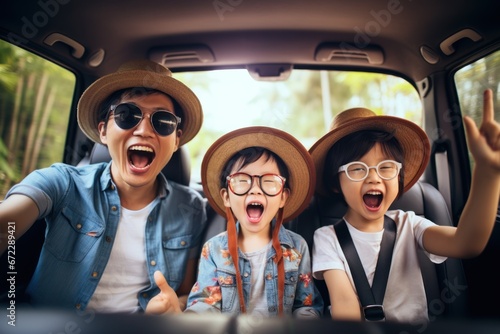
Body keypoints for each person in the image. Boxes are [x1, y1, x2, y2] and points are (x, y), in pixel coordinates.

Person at [0, 60, 207, 313]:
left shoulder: (191, 207)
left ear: (176, 141)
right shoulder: (62, 182)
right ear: (103, 131)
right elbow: (5, 225)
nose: (143, 130)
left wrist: (176, 307)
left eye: (163, 121)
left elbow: (184, 291)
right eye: (126, 115)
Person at [310, 89, 500, 324]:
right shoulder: (327, 238)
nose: (374, 178)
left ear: (399, 175)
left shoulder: (410, 224)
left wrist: (488, 173)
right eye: (357, 168)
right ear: (335, 183)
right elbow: (345, 306)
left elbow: (466, 243)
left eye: (386, 166)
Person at [146, 126, 324, 317]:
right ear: (226, 197)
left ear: (282, 197)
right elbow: (206, 304)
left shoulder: (297, 248)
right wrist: (182, 318)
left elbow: (307, 306)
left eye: (269, 181)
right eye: (242, 180)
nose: (255, 190)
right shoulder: (213, 250)